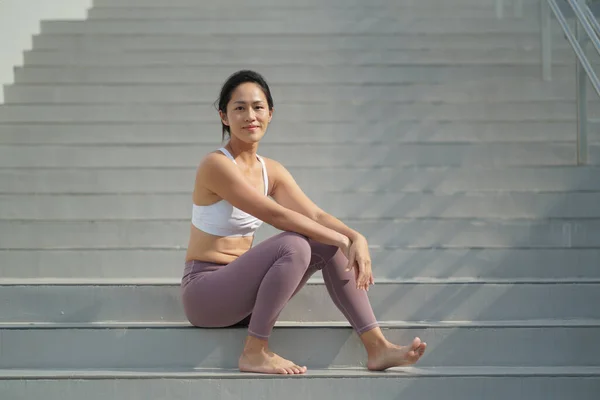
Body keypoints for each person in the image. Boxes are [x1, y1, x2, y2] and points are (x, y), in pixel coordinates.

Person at [181, 70, 427, 375]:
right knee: (294, 244)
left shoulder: (271, 170)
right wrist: (340, 239)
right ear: (224, 116)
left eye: (258, 107)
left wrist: (355, 237)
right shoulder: (215, 165)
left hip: (246, 297)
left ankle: (376, 347)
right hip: (207, 294)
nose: (250, 116)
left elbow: (316, 215)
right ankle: (255, 351)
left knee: (323, 239)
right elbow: (276, 216)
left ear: (271, 113)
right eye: (239, 108)